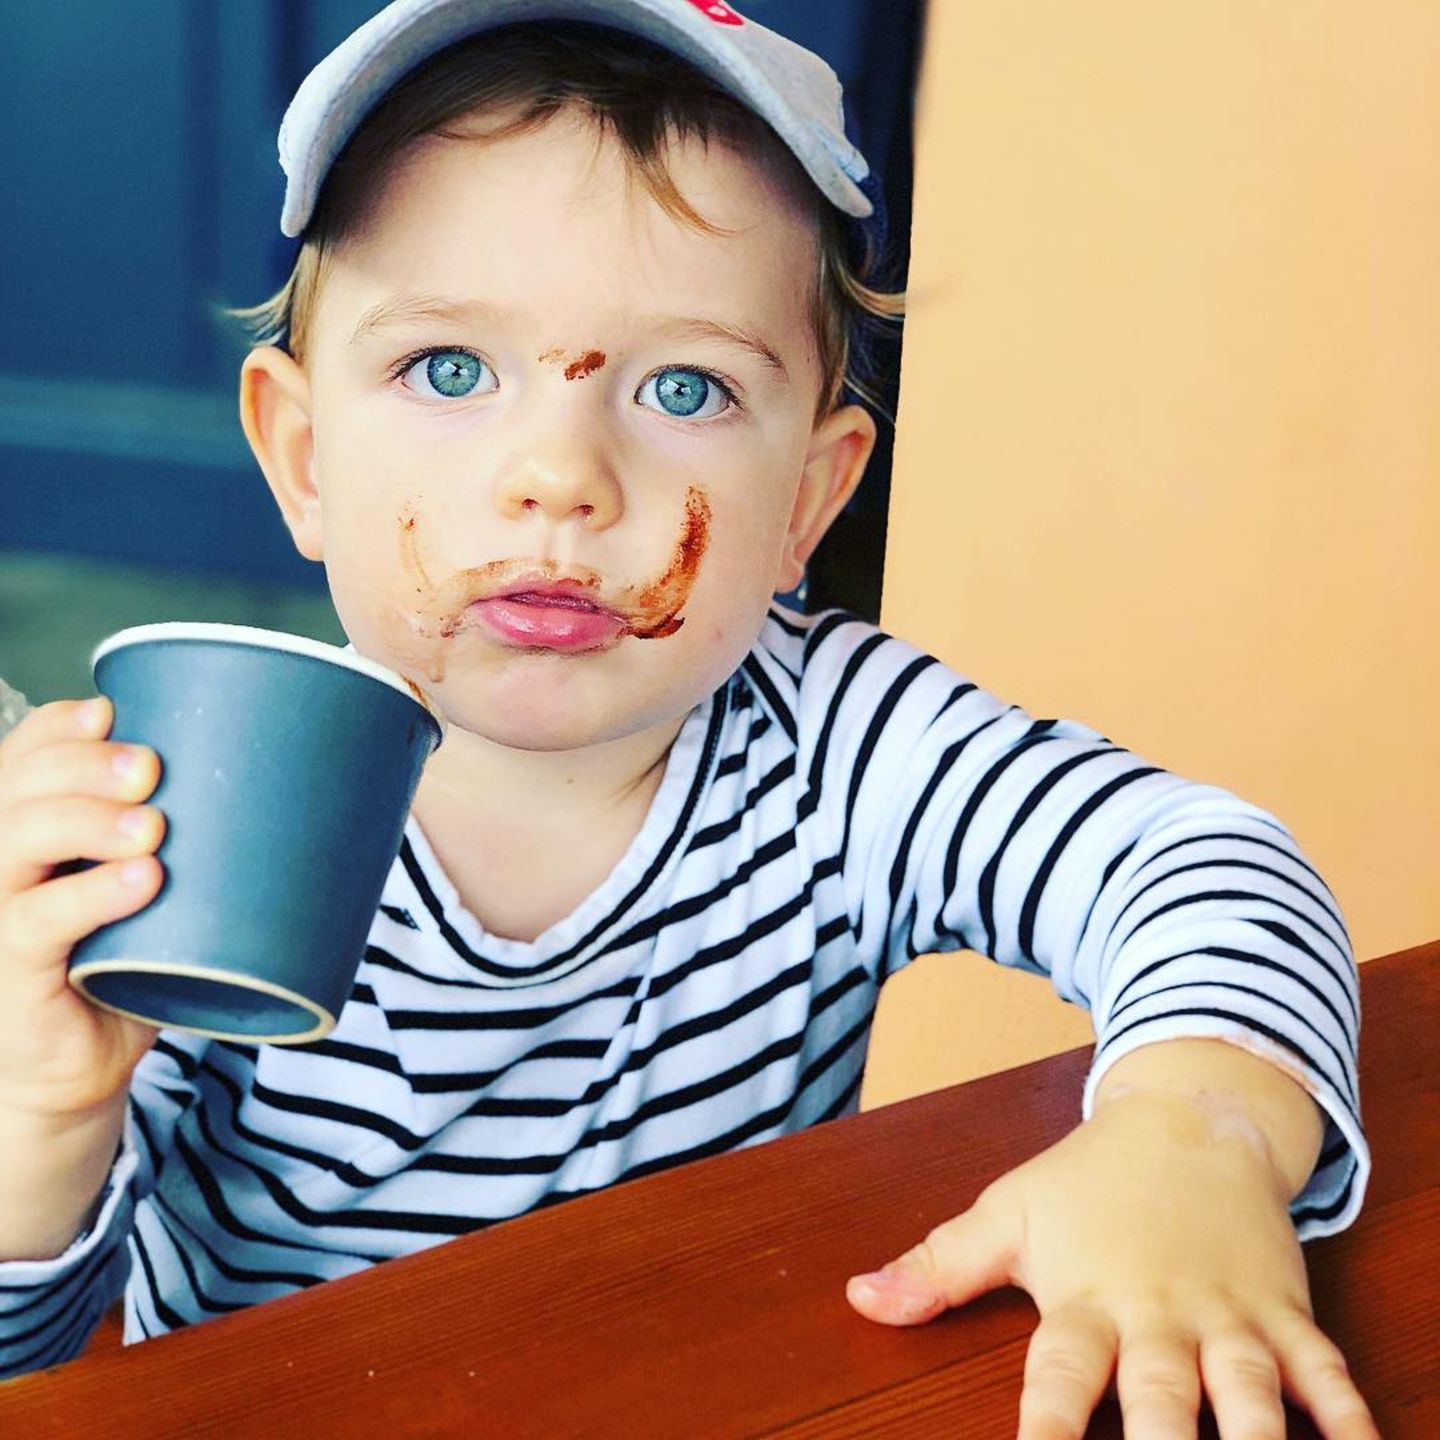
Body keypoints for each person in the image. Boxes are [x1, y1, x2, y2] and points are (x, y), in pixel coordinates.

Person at [0, 3, 1376, 1435]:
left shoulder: (844, 748)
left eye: (684, 386)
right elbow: (24, 1353)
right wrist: (37, 1109)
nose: (561, 476)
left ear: (809, 502)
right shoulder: (189, 814)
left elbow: (1209, 866)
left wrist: (1188, 1138)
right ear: (300, 456)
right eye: (451, 370)